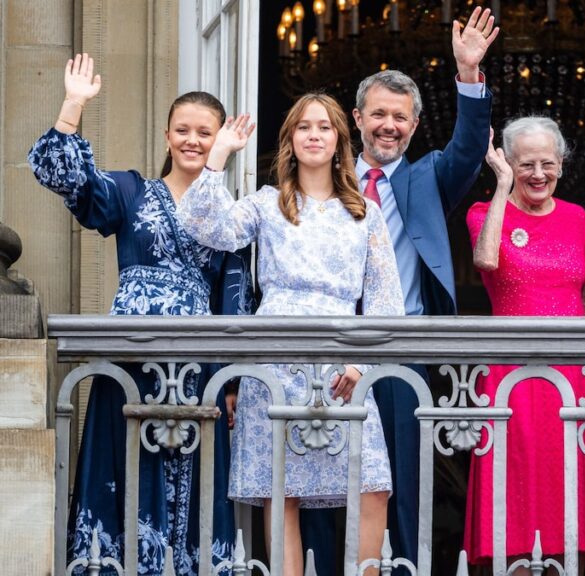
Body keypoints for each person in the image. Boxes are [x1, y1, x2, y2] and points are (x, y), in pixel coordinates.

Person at [28, 54, 251, 574]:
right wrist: (73, 105)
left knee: (196, 479)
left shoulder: (230, 214)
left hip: (198, 368)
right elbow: (63, 178)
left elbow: (234, 297)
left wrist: (231, 378)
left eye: (205, 133)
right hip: (130, 356)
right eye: (183, 130)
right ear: (167, 136)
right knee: (124, 467)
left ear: (222, 139)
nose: (192, 140)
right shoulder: (132, 191)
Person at [176, 93, 404, 576]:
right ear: (290, 140)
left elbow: (386, 301)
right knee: (282, 494)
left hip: (343, 365)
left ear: (339, 139)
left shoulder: (365, 211)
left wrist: (360, 363)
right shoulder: (266, 203)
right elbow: (203, 226)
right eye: (304, 127)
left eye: (324, 126)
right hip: (276, 360)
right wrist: (219, 156)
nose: (314, 135)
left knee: (372, 487)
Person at [344, 6, 497, 568]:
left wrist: (469, 74)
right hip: (328, 345)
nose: (389, 125)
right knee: (325, 477)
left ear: (412, 125)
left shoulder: (428, 175)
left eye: (400, 117)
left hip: (401, 347)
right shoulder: (328, 177)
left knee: (402, 479)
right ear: (357, 118)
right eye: (379, 114)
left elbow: (469, 147)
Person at [463, 118, 585, 566]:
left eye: (547, 163)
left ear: (561, 162)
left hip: (577, 377)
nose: (538, 174)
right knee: (518, 508)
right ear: (507, 163)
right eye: (525, 164)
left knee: (576, 505)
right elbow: (486, 259)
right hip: (513, 379)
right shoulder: (484, 212)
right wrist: (503, 186)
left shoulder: (575, 216)